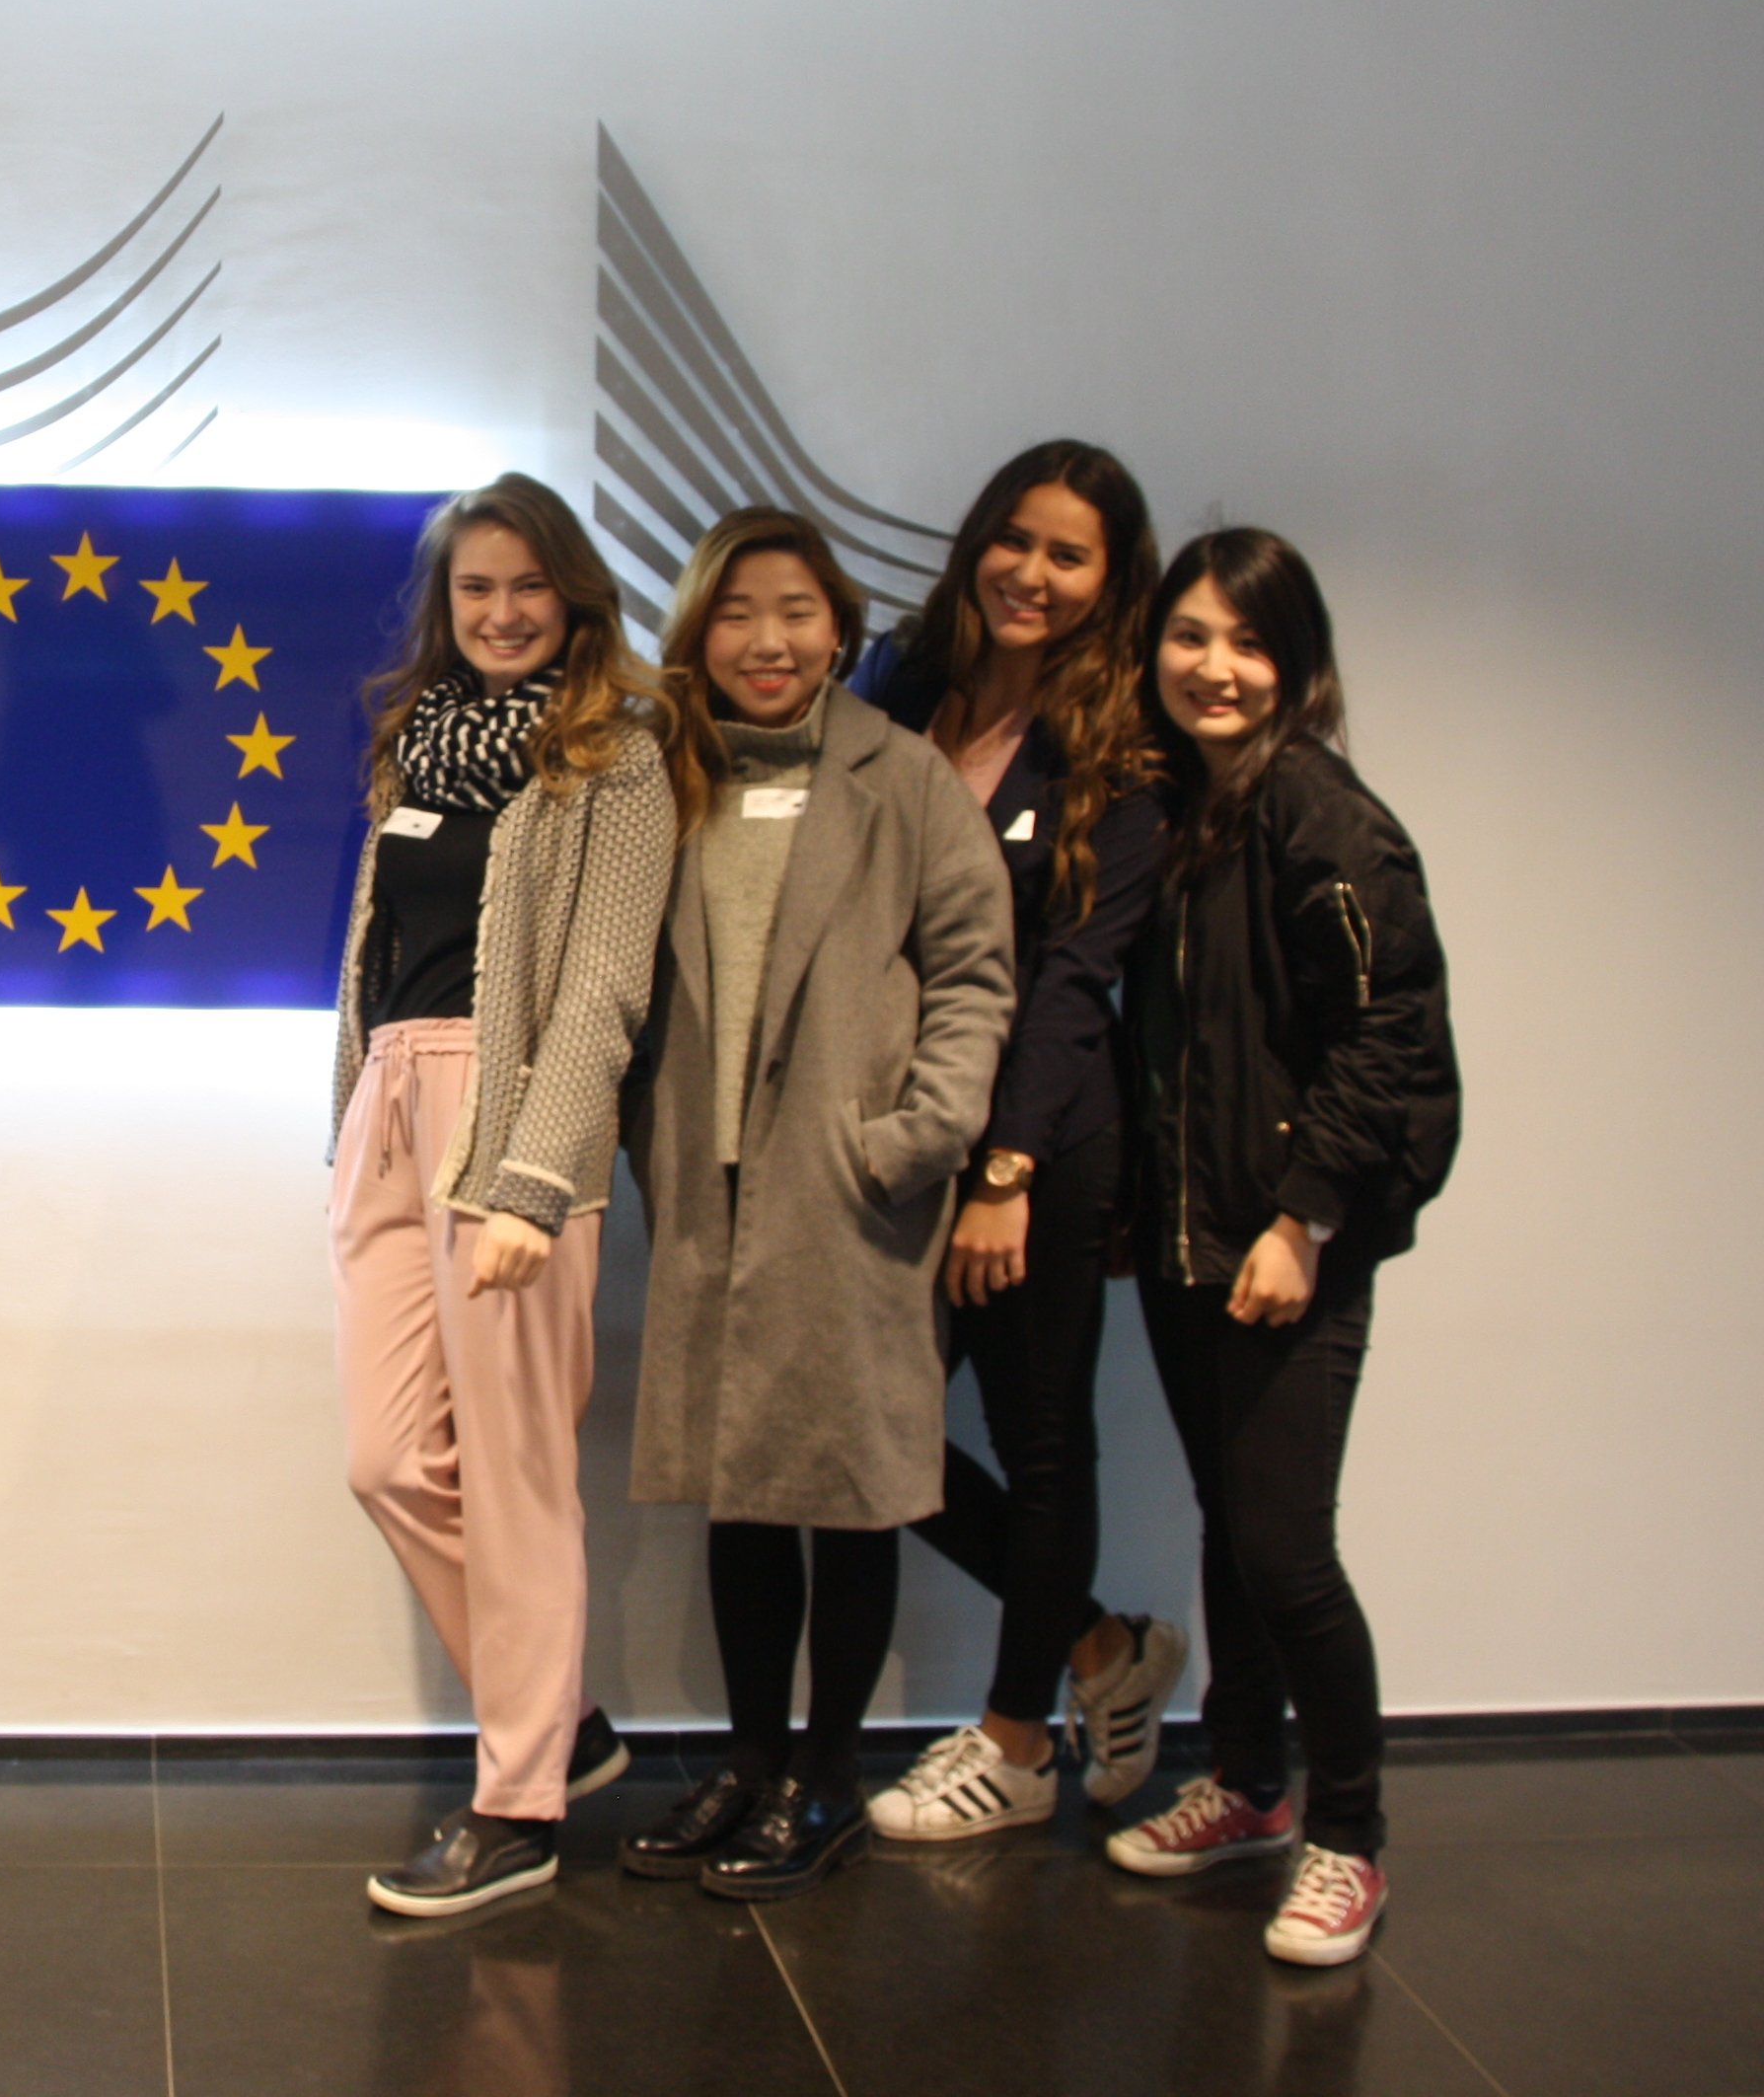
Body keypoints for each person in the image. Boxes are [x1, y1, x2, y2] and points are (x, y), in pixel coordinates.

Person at [618, 506, 1014, 1902]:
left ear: (839, 628)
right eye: (735, 614)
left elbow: (974, 971)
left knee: (845, 1495)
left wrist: (921, 1132)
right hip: (704, 1187)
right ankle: (750, 1762)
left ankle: (828, 1780)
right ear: (696, 633)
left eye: (793, 612)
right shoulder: (661, 777)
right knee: (740, 1493)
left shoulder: (903, 780)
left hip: (849, 1193)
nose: (766, 641)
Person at [331, 472, 691, 1918]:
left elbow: (604, 984)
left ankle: (518, 1807)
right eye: (475, 589)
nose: (500, 613)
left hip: (514, 1116)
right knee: (386, 1459)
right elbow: (374, 948)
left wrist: (537, 1183)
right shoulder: (415, 742)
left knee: (521, 1480)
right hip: (390, 1113)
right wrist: (356, 1111)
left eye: (527, 586)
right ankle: (563, 1729)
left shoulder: (620, 754)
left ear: (575, 596)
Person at [1102, 529, 1457, 1969]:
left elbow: (1393, 1041)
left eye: (1247, 643)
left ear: (1296, 666)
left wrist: (1303, 1218)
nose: (1215, 668)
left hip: (1283, 1244)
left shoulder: (1324, 814)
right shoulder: (1189, 810)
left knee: (1287, 1555)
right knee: (1234, 1538)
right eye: (1190, 636)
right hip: (1198, 1243)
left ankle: (1349, 1840)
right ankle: (1248, 1787)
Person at [846, 442, 1194, 1840]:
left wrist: (1007, 1175)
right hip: (893, 1133)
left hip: (1038, 1142)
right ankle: (1106, 1655)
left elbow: (1073, 982)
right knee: (871, 1431)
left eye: (1071, 556)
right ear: (977, 538)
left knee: (1043, 1447)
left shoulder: (1126, 746)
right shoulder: (897, 685)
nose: (1033, 574)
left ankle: (1014, 1746)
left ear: (1113, 585)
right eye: (1018, 540)